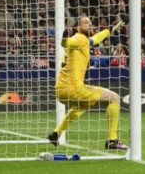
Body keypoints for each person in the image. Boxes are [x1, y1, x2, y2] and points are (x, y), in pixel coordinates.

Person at [48, 16, 127, 151]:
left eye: (91, 23)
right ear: (78, 27)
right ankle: (112, 140)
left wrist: (109, 30)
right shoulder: (79, 38)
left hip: (60, 90)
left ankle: (56, 133)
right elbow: (67, 43)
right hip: (74, 89)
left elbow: (95, 39)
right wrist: (64, 39)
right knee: (114, 98)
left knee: (81, 106)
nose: (90, 25)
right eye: (86, 23)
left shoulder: (84, 41)